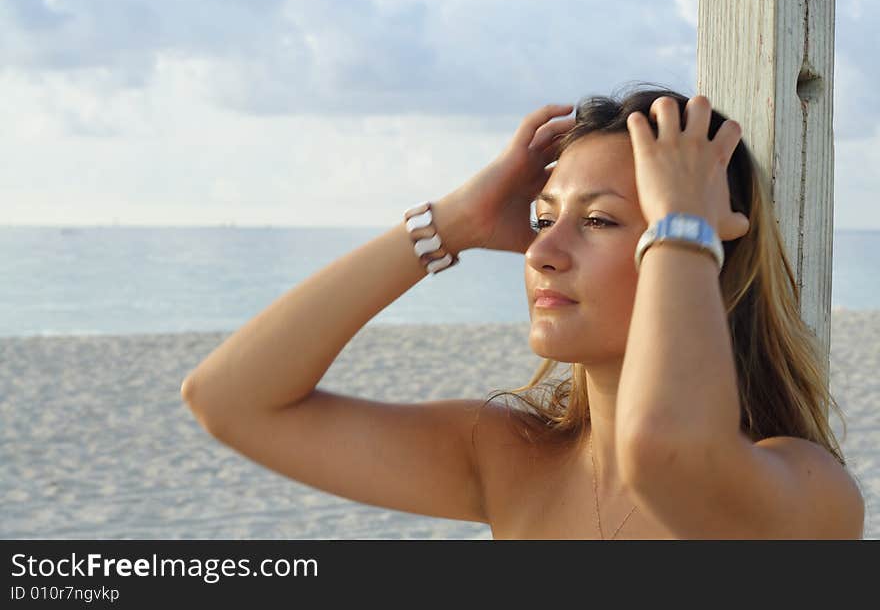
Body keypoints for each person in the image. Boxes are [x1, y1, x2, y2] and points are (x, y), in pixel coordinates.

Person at [180, 84, 865, 539]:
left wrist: (684, 227)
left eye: (599, 220)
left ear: (700, 248)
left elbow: (668, 453)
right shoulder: (513, 457)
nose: (542, 251)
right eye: (542, 218)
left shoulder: (807, 491)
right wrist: (452, 223)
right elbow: (230, 398)